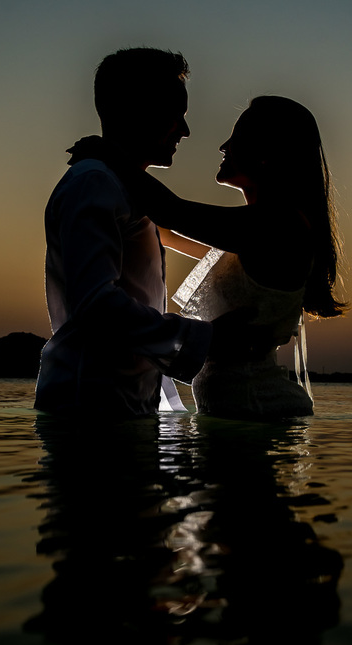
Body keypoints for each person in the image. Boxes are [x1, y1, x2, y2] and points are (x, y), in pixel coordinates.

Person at [35, 48, 255, 419]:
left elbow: (181, 228)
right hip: (90, 410)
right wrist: (209, 339)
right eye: (176, 115)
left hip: (120, 406)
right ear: (137, 110)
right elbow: (95, 306)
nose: (185, 131)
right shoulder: (94, 184)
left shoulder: (125, 191)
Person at [132, 95, 347, 419]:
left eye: (236, 137)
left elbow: (172, 212)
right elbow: (169, 233)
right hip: (246, 413)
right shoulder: (255, 233)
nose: (223, 146)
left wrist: (112, 159)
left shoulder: (280, 225)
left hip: (257, 410)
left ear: (266, 153)